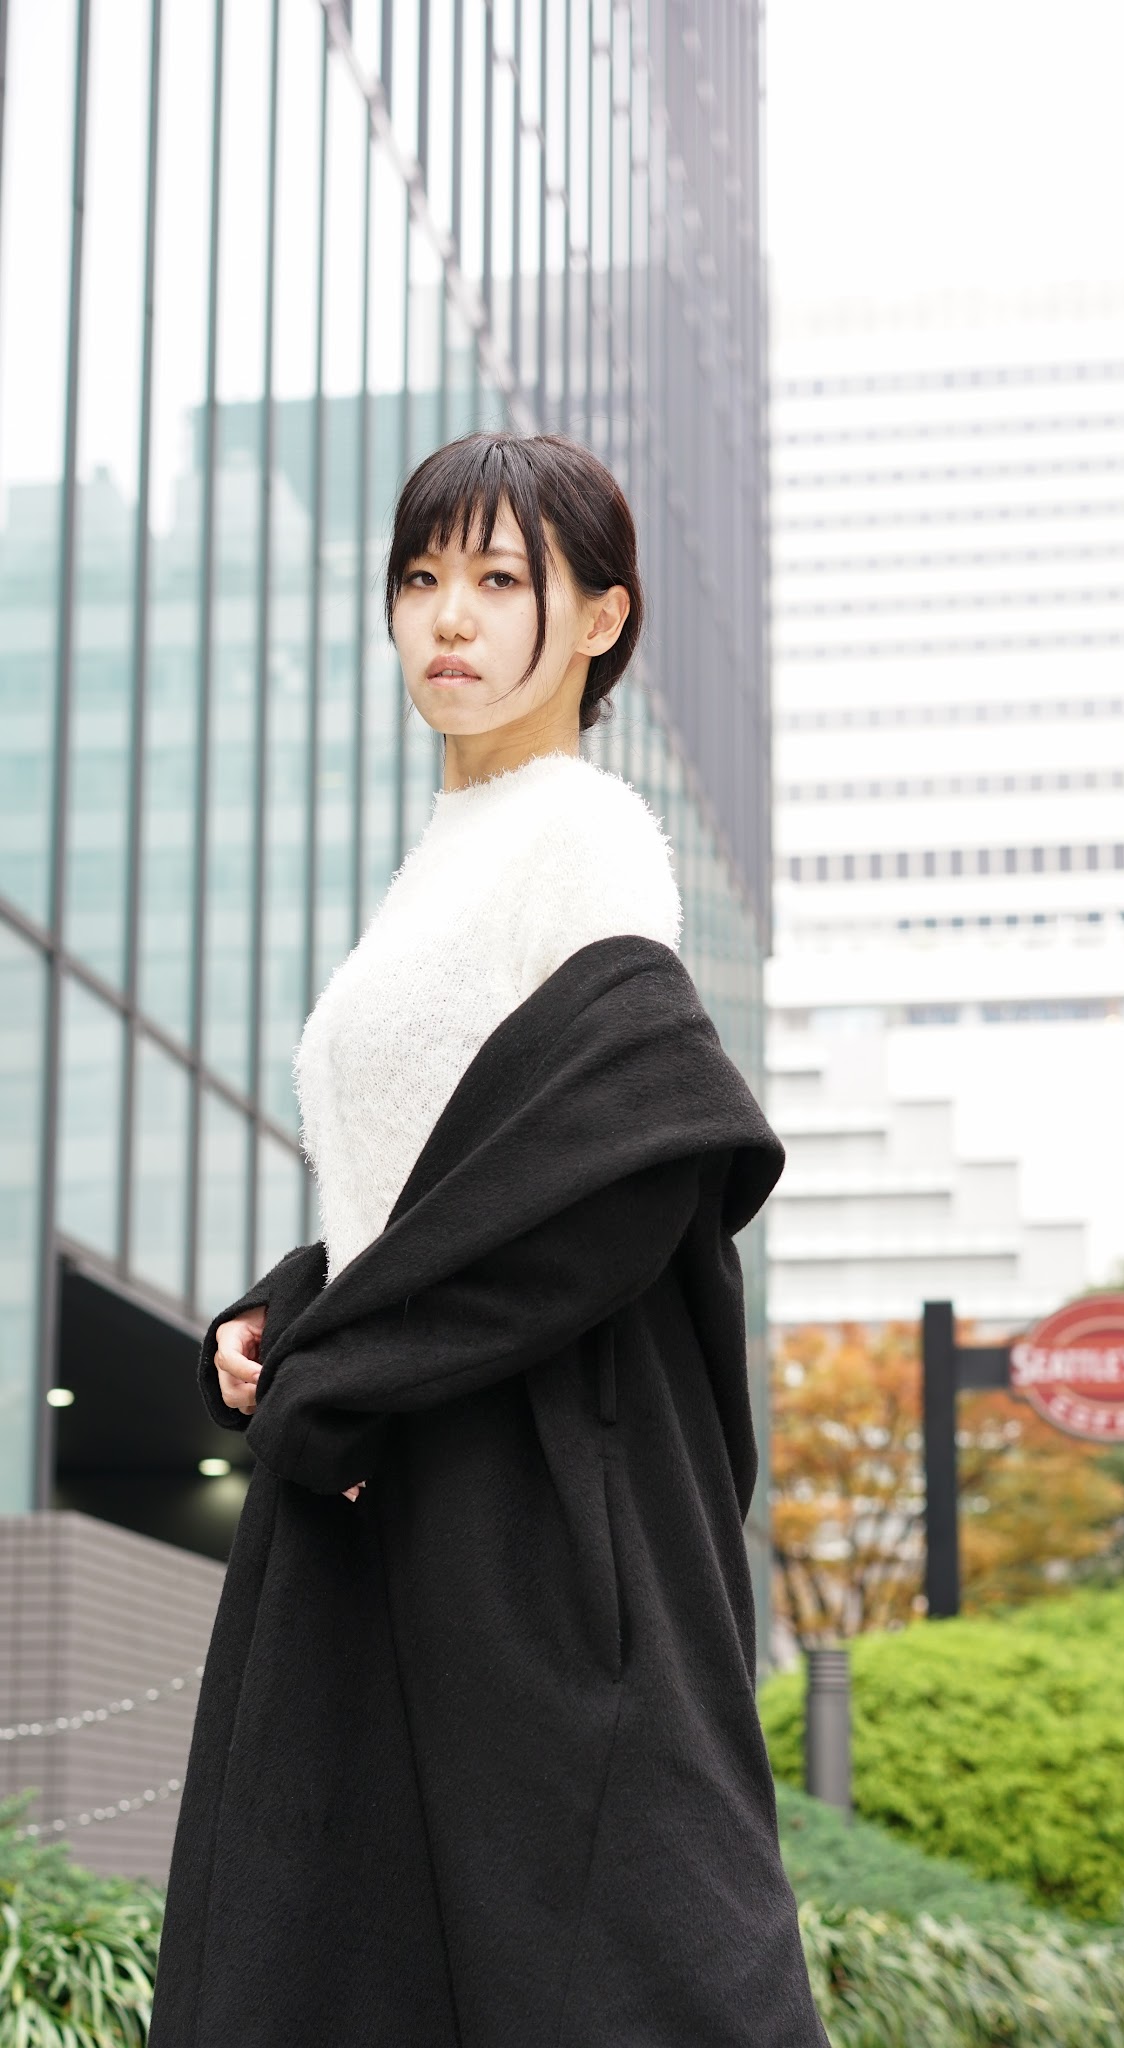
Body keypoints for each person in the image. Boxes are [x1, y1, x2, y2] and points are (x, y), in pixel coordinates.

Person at [147, 431, 829, 2048]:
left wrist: (351, 1373)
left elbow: (621, 1161)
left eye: (500, 578)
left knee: (601, 1956)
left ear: (598, 618)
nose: (447, 616)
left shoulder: (580, 833)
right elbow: (434, 1176)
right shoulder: (446, 856)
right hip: (396, 1466)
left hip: (522, 1497)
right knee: (354, 1953)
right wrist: (294, 1308)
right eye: (420, 576)